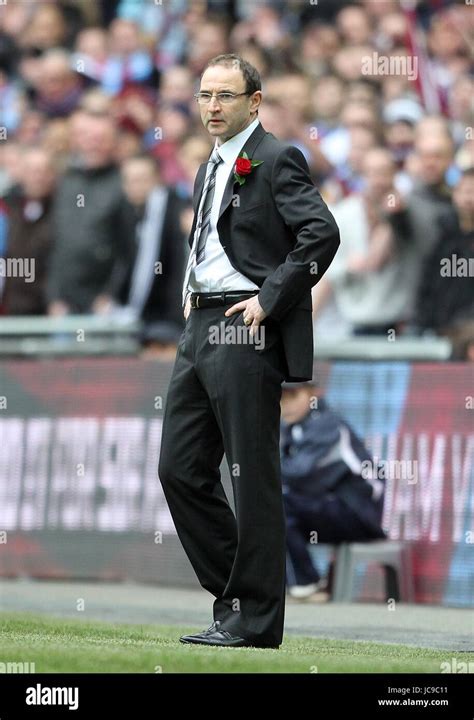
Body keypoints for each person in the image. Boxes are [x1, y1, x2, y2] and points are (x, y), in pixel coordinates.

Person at [158, 54, 340, 649]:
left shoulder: (275, 156)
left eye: (226, 96)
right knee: (179, 470)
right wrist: (191, 290)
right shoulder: (209, 165)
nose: (212, 106)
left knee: (250, 474)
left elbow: (322, 233)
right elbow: (214, 240)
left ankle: (255, 618)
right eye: (206, 94)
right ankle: (240, 600)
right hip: (201, 322)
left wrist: (270, 297)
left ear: (254, 102)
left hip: (244, 322)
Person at [280, 381, 386, 600]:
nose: (286, 404)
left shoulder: (326, 424)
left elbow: (297, 473)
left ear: (313, 393)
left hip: (360, 514)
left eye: (293, 395)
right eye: (282, 397)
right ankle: (291, 583)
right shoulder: (291, 426)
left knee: (279, 503)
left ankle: (307, 583)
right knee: (272, 505)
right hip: (330, 506)